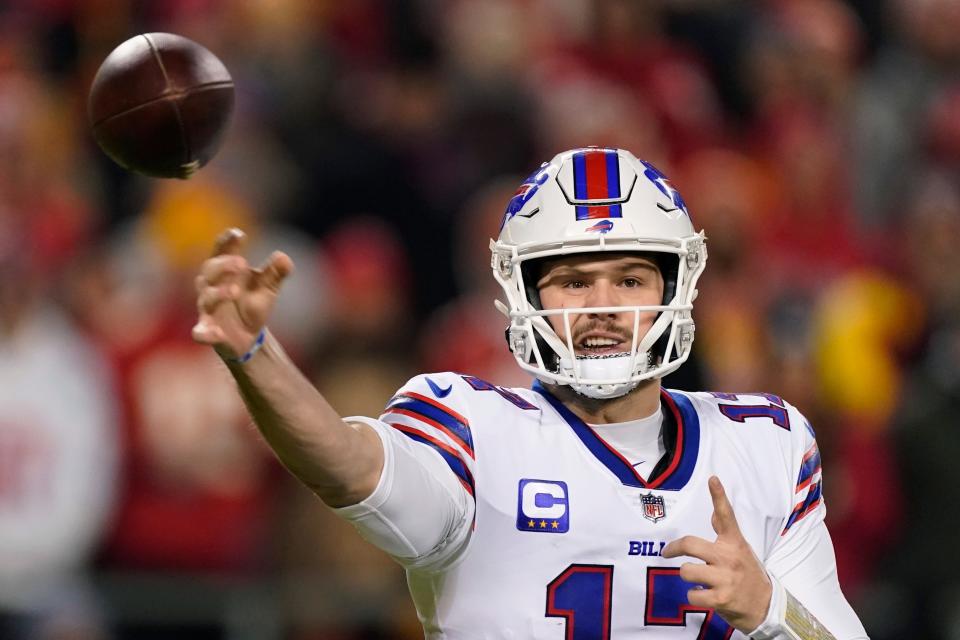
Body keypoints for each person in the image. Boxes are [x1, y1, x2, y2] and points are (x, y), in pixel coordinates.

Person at [192, 147, 868, 639]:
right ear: (526, 296)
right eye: (574, 282)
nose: (604, 306)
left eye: (631, 280)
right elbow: (348, 466)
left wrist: (771, 609)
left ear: (675, 289)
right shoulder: (473, 427)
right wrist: (256, 357)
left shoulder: (764, 442)